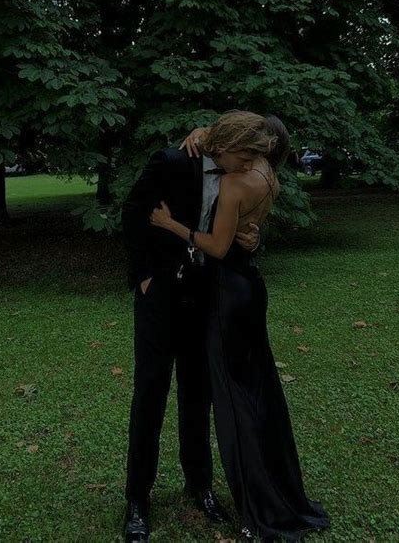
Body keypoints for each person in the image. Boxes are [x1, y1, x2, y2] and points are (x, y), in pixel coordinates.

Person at [150, 115, 331, 541]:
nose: (247, 158)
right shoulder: (268, 174)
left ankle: (261, 509)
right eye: (244, 151)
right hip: (250, 287)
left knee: (233, 404)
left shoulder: (236, 181)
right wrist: (198, 133)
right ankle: (282, 492)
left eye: (254, 152)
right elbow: (244, 228)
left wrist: (171, 225)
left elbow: (215, 246)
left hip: (225, 297)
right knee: (260, 393)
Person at [121, 111, 272, 542]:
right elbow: (133, 213)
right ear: (223, 147)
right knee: (150, 391)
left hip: (206, 296)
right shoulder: (170, 161)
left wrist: (254, 238)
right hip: (160, 295)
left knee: (197, 393)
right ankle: (137, 499)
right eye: (243, 158)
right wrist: (143, 275)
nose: (248, 167)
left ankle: (199, 484)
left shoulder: (234, 176)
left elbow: (239, 226)